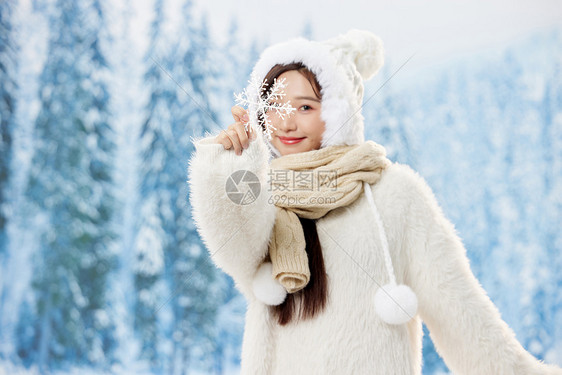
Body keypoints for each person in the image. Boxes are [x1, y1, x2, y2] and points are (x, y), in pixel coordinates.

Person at [188, 29, 561, 374]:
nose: (286, 123)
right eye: (276, 107)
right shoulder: (265, 197)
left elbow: (459, 312)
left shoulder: (394, 195)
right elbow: (233, 249)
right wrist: (232, 165)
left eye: (305, 107)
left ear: (335, 112)